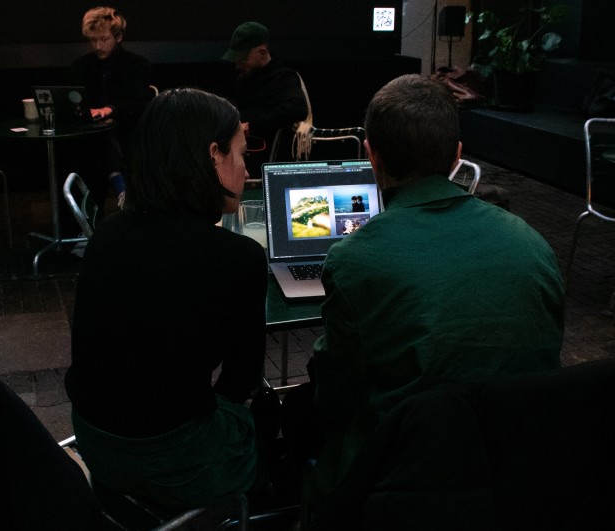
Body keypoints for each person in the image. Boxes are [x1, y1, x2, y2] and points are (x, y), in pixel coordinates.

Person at [288, 74, 566, 509]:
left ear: (371, 156)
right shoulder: (532, 244)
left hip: (395, 480)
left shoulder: (354, 259)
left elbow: (337, 398)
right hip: (518, 477)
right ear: (457, 156)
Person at [65, 87, 269, 509]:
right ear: (213, 155)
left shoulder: (107, 235)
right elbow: (241, 379)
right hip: (176, 461)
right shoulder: (238, 257)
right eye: (240, 153)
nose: (246, 170)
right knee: (268, 411)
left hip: (95, 445)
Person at [70, 6, 152, 210]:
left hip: (126, 130)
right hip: (93, 135)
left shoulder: (137, 65)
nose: (97, 46)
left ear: (119, 37)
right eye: (93, 40)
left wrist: (110, 110)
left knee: (103, 139)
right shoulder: (81, 66)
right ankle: (119, 186)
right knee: (100, 140)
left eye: (103, 39)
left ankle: (89, 216)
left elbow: (138, 104)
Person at [221, 21, 308, 175]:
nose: (238, 66)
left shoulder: (284, 78)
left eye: (243, 59)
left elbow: (297, 108)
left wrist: (252, 125)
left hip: (269, 161)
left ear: (262, 52)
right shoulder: (241, 79)